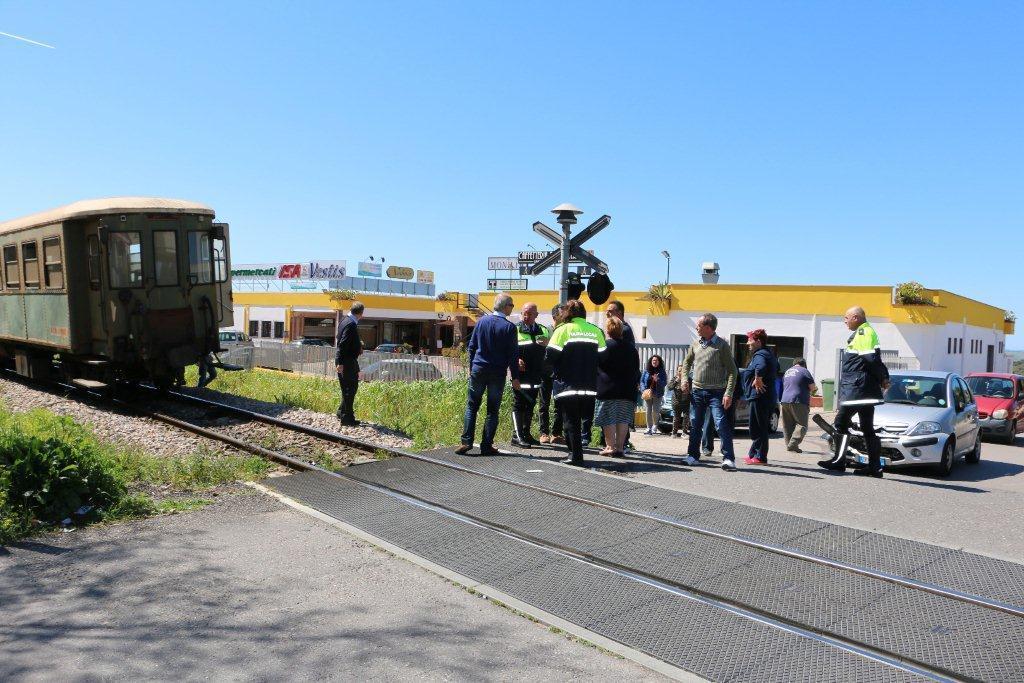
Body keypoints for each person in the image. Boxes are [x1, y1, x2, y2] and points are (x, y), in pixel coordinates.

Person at [819, 306, 890, 477]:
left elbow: (870, 358)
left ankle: (839, 461)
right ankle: (875, 467)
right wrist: (883, 377)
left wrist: (883, 377)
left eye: (846, 318)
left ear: (856, 318)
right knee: (867, 428)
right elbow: (875, 359)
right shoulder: (866, 332)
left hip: (857, 389)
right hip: (864, 389)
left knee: (840, 423)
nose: (845, 321)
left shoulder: (863, 332)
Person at [456, 294, 520, 455]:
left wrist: (472, 368)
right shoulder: (509, 327)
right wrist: (515, 377)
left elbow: (472, 347)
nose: (512, 308)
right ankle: (486, 445)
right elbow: (513, 355)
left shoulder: (481, 322)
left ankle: (466, 442)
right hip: (497, 372)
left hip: (478, 369)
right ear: (506, 307)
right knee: (492, 409)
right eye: (511, 305)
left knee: (472, 406)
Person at [545, 299, 606, 466]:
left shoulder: (562, 330)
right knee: (580, 421)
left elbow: (550, 357)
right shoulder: (595, 331)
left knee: (570, 422)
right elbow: (604, 358)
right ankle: (576, 454)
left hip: (567, 385)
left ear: (567, 313)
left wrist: (555, 370)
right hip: (589, 386)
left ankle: (575, 456)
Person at [681, 313, 739, 470]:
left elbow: (733, 371)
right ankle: (692, 456)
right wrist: (684, 379)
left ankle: (729, 459)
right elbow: (686, 363)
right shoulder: (695, 344)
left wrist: (728, 393)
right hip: (697, 391)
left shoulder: (722, 345)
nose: (696, 327)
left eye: (699, 325)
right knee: (695, 425)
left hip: (716, 393)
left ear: (708, 327)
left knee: (721, 424)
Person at [595, 316, 640, 457]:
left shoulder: (604, 346)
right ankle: (620, 447)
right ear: (621, 330)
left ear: (607, 330)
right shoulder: (631, 349)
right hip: (627, 389)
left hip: (607, 388)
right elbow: (636, 370)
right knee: (623, 418)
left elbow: (596, 365)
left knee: (608, 417)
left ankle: (610, 446)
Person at [511, 302, 550, 448]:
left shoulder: (543, 330)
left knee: (531, 404)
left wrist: (548, 343)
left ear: (536, 315)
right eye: (524, 313)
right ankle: (517, 436)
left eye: (529, 314)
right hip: (520, 376)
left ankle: (526, 433)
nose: (526, 316)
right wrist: (515, 360)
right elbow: (507, 350)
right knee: (518, 404)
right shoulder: (515, 329)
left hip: (536, 375)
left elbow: (550, 349)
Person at [741, 329, 779, 465]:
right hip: (764, 397)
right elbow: (775, 367)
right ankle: (753, 454)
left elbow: (761, 366)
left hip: (760, 396)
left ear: (758, 341)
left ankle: (760, 457)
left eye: (750, 340)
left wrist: (758, 378)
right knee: (757, 426)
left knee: (758, 427)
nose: (747, 343)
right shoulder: (768, 353)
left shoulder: (760, 354)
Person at [605, 300, 638, 451]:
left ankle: (616, 445)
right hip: (624, 384)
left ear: (620, 313)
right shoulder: (625, 330)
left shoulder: (624, 330)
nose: (607, 313)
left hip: (616, 383)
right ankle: (620, 445)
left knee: (614, 415)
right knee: (622, 415)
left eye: (610, 311)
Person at [335, 302, 365, 426]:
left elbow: (340, 338)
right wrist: (340, 362)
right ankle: (347, 418)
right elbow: (342, 344)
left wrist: (358, 346)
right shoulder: (351, 324)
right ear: (361, 313)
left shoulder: (344, 320)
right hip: (347, 361)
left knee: (347, 388)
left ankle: (341, 412)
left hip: (347, 360)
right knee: (350, 389)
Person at [539, 303, 564, 445]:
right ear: (555, 316)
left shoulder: (565, 330)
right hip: (546, 372)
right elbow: (540, 342)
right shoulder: (546, 329)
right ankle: (544, 433)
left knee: (559, 404)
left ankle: (556, 433)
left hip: (560, 372)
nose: (565, 316)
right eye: (562, 314)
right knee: (544, 403)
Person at [781, 358, 817, 452]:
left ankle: (789, 445)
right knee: (802, 425)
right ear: (804, 364)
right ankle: (793, 444)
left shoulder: (787, 372)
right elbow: (813, 387)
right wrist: (812, 391)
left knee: (788, 425)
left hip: (785, 400)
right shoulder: (804, 371)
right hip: (798, 400)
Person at [640, 355, 668, 435]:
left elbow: (664, 383)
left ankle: (655, 426)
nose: (654, 362)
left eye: (656, 360)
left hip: (657, 393)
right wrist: (643, 390)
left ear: (659, 362)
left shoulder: (662, 372)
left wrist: (657, 380)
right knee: (648, 411)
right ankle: (648, 427)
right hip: (648, 393)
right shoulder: (646, 371)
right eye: (653, 360)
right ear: (651, 361)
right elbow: (642, 381)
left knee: (655, 411)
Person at [667, 363, 689, 437]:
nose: (681, 372)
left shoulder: (688, 379)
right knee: (676, 417)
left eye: (682, 371)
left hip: (686, 401)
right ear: (677, 372)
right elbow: (669, 387)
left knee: (686, 417)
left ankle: (684, 432)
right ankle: (674, 433)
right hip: (676, 402)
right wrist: (677, 380)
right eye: (679, 371)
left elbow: (692, 389)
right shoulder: (674, 379)